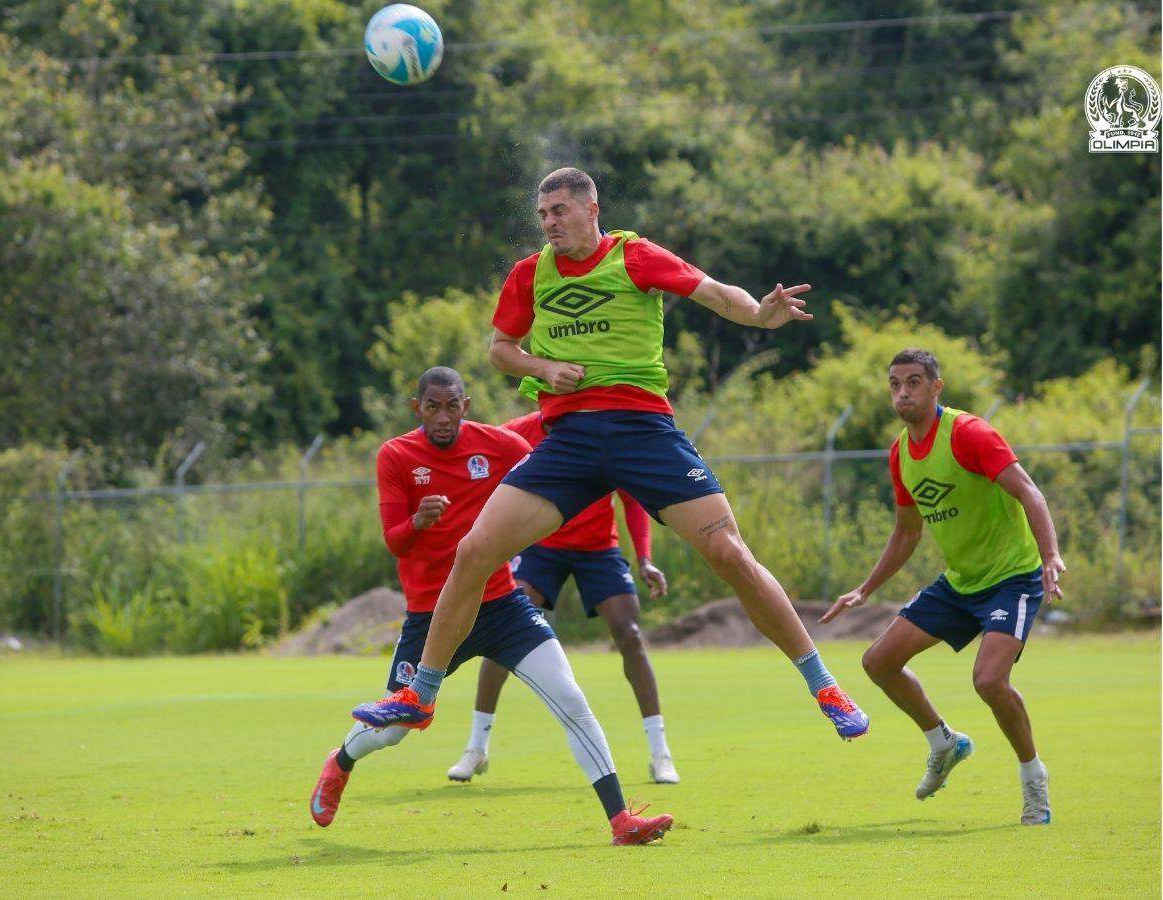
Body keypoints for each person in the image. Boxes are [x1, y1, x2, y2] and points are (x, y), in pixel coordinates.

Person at [351, 166, 869, 746]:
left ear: (592, 210)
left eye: (561, 211)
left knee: (729, 553)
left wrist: (758, 314)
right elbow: (500, 350)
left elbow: (717, 293)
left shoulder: (636, 257)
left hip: (643, 432)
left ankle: (824, 685)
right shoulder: (531, 275)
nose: (549, 223)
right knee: (473, 550)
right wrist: (544, 369)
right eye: (543, 214)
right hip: (569, 441)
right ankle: (419, 694)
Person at [309, 367, 673, 846]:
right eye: (433, 407)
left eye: (452, 406)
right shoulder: (395, 455)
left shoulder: (499, 446)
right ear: (417, 409)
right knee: (396, 731)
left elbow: (556, 472)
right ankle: (340, 762)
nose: (443, 417)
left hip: (503, 606)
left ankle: (620, 821)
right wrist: (418, 520)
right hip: (432, 618)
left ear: (467, 405)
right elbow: (395, 544)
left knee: (572, 701)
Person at [820, 348, 1064, 825]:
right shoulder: (900, 454)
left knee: (990, 681)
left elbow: (1029, 492)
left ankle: (1034, 779)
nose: (903, 392)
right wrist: (865, 589)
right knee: (879, 662)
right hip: (961, 583)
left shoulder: (969, 434)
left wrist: (1052, 555)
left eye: (913, 382)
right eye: (895, 384)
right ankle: (944, 743)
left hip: (1012, 577)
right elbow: (907, 533)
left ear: (936, 386)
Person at [447, 409, 679, 785]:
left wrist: (645, 559)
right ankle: (476, 748)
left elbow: (631, 498)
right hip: (539, 544)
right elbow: (484, 472)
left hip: (597, 547)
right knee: (503, 631)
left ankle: (660, 753)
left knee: (630, 632)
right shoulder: (518, 432)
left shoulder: (602, 425)